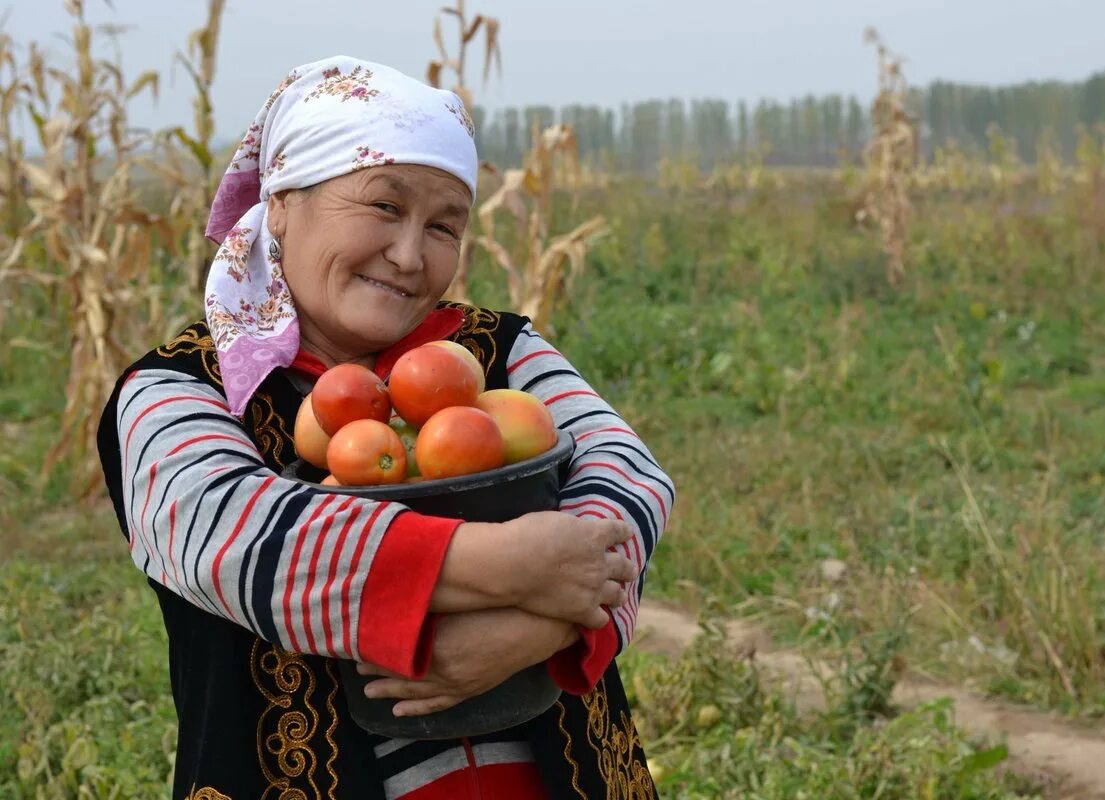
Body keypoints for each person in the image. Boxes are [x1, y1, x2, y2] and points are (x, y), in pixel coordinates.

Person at [96, 56, 674, 800]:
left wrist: (543, 633)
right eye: (382, 207)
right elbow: (226, 535)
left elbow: (630, 477)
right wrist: (510, 564)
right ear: (280, 201)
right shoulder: (177, 389)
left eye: (443, 225)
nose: (409, 255)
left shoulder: (496, 353)